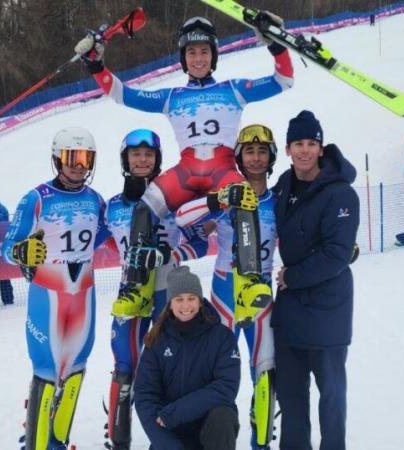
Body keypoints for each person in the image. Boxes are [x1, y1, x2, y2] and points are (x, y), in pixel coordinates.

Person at [74, 14, 294, 327]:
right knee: (144, 208)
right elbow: (122, 94)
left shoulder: (234, 89)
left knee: (246, 200)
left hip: (222, 169)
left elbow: (283, 80)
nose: (199, 58)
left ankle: (247, 282)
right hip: (186, 171)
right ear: (183, 58)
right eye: (192, 53)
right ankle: (138, 289)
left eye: (204, 51)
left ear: (214, 55)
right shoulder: (172, 97)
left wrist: (276, 46)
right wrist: (96, 65)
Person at [1, 127, 111, 450]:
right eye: (71, 157)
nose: (78, 165)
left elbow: (107, 235)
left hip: (83, 300)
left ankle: (58, 441)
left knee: (76, 371)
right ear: (56, 159)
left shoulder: (95, 200)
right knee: (46, 372)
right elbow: (7, 245)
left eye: (85, 158)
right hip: (47, 297)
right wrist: (20, 252)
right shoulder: (36, 199)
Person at [103, 129, 209, 450]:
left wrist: (169, 255)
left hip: (169, 294)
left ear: (157, 160)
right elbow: (99, 243)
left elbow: (201, 243)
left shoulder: (176, 202)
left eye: (149, 154)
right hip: (132, 294)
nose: (142, 159)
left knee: (169, 366)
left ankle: (167, 438)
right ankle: (118, 440)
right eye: (136, 154)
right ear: (126, 159)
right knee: (125, 366)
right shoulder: (112, 207)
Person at [175, 124, 279, 449]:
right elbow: (181, 217)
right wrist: (219, 198)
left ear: (271, 156)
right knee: (216, 375)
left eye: (263, 151)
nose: (257, 158)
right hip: (224, 293)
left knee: (266, 374)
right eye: (250, 151)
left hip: (260, 294)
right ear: (239, 157)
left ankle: (260, 442)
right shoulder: (228, 195)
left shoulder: (278, 202)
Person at [271, 111, 360, 450]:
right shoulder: (283, 186)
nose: (305, 150)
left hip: (327, 310)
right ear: (288, 148)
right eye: (298, 144)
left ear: (321, 148)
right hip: (291, 312)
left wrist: (293, 277)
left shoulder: (341, 194)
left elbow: (336, 254)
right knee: (292, 399)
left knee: (331, 397)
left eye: (312, 143)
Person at [134, 266, 241, 450]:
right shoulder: (156, 338)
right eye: (179, 299)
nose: (185, 306)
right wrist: (169, 445)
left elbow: (226, 388)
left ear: (200, 301)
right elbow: (145, 395)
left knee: (223, 414)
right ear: (170, 303)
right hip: (170, 431)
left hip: (209, 429)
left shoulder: (222, 336)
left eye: (191, 298)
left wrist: (176, 413)